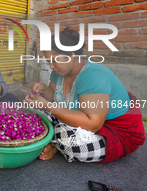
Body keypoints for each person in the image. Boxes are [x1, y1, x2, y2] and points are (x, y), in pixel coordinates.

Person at [25, 27, 145, 163]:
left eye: (54, 60)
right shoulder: (58, 72)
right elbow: (55, 99)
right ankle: (54, 142)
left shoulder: (93, 75)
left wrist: (47, 105)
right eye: (48, 62)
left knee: (70, 142)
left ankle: (55, 143)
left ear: (72, 55)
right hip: (80, 121)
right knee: (33, 112)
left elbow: (93, 124)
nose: (51, 66)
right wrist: (45, 89)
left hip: (113, 133)